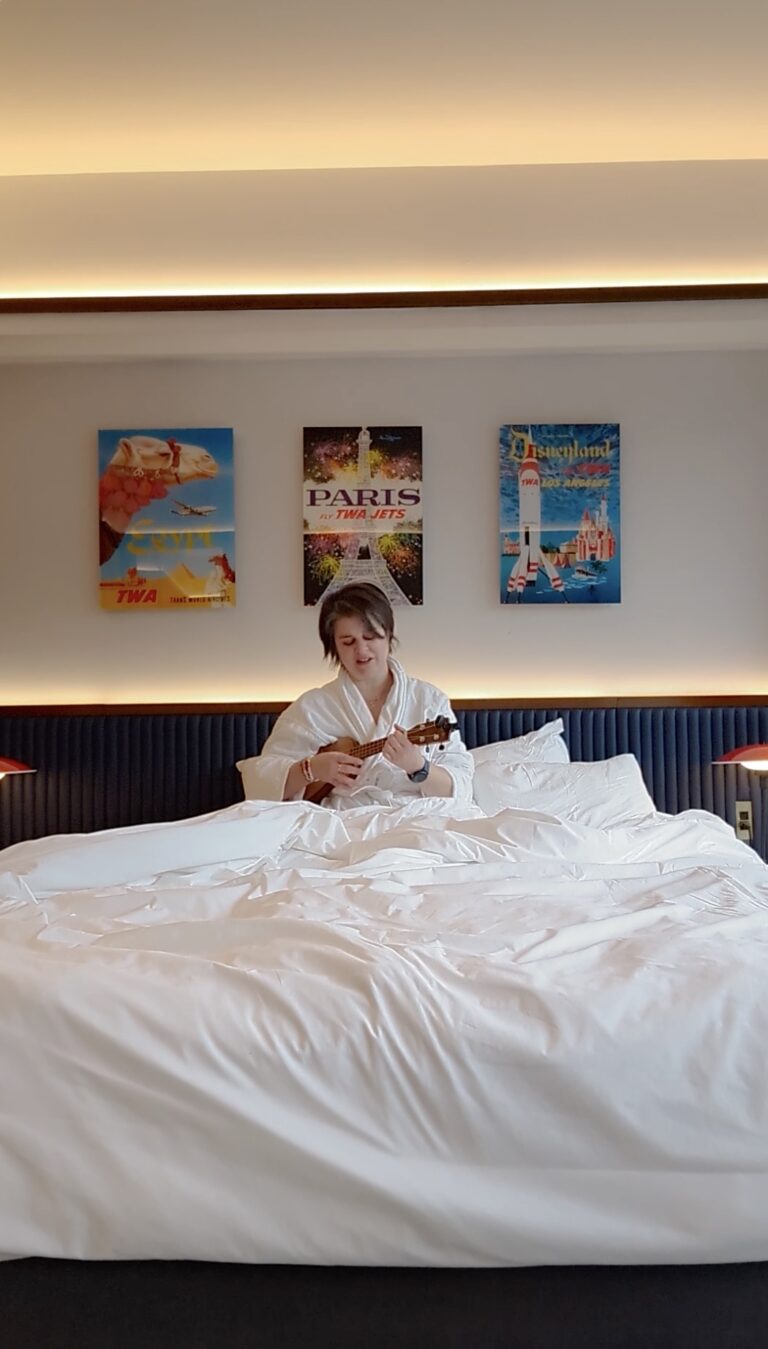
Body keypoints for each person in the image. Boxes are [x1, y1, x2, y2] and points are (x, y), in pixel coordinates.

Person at [238, 583, 474, 809]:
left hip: (417, 817)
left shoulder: (429, 700)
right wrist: (310, 769)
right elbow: (261, 783)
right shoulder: (312, 707)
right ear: (334, 647)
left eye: (371, 637)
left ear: (389, 636)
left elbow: (461, 790)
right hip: (341, 820)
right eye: (348, 642)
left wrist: (418, 767)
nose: (361, 651)